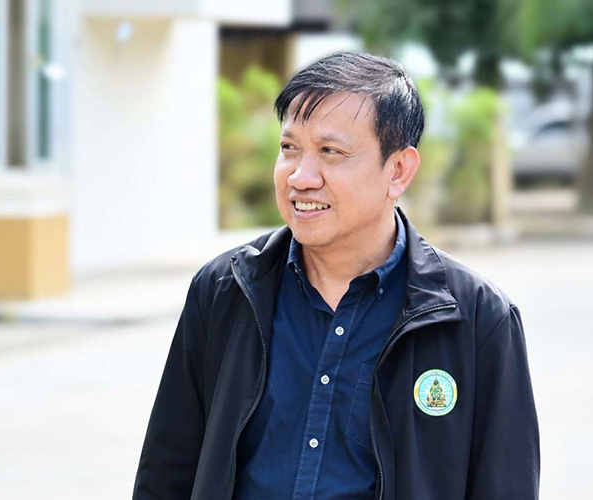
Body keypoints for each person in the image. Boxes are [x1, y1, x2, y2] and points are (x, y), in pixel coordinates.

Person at [132, 52, 540, 500]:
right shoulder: (225, 291)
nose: (301, 177)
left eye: (330, 151)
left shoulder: (477, 319)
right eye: (290, 148)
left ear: (398, 170)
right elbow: (166, 472)